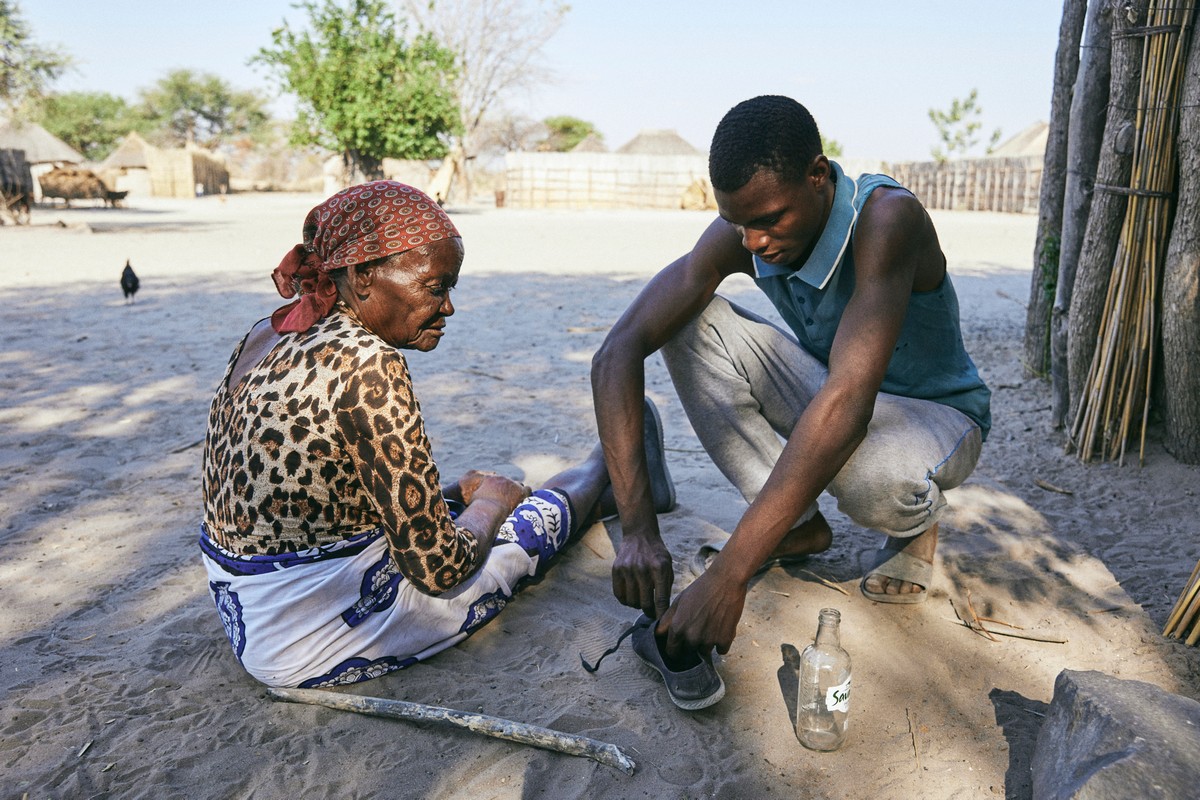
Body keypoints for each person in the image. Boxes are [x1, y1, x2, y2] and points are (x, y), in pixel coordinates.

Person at [200, 181, 668, 688]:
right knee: (519, 530)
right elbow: (441, 570)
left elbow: (311, 496)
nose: (448, 308)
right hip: (308, 633)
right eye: (434, 286)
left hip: (244, 608)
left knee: (457, 504)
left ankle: (619, 478)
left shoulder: (270, 330)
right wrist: (493, 501)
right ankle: (612, 462)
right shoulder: (368, 363)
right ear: (362, 276)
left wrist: (448, 497)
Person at [591, 96, 991, 663]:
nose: (752, 242)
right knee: (687, 322)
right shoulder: (748, 231)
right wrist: (637, 531)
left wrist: (730, 574)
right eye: (738, 223)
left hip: (935, 416)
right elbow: (616, 353)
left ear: (818, 176)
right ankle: (795, 528)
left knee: (873, 477)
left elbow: (849, 404)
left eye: (769, 220)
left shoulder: (886, 220)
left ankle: (915, 524)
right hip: (841, 386)